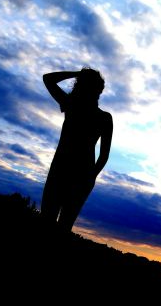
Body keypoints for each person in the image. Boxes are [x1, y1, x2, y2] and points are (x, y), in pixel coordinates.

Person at [41, 67, 113, 232]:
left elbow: (48, 79)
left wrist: (90, 177)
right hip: (68, 172)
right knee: (56, 224)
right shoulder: (75, 107)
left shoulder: (76, 107)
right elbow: (103, 156)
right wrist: (90, 176)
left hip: (70, 172)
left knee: (54, 224)